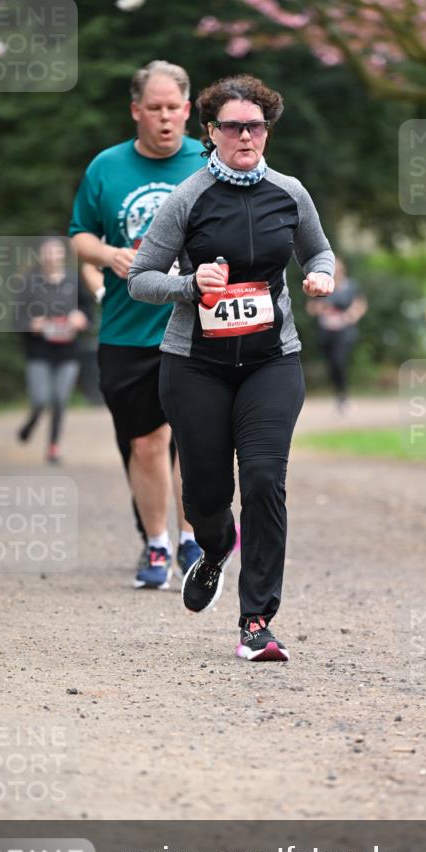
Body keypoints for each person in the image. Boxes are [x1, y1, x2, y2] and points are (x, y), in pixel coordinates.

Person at [128, 74, 335, 662]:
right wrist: (191, 285)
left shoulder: (289, 193)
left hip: (273, 360)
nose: (246, 135)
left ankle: (256, 622)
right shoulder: (188, 198)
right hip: (196, 366)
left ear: (267, 130)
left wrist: (321, 274)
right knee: (208, 498)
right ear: (211, 132)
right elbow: (141, 278)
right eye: (233, 126)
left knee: (267, 480)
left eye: (256, 125)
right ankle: (215, 548)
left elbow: (317, 249)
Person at [69, 60, 203, 588]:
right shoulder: (106, 167)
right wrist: (110, 255)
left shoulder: (211, 161)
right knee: (145, 443)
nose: (166, 118)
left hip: (195, 327)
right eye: (155, 109)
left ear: (189, 110)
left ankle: (192, 537)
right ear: (136, 111)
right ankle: (155, 544)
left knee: (193, 438)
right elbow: (78, 235)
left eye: (175, 108)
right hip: (126, 331)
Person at [17, 236, 93, 464]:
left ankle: (53, 447)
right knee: (41, 399)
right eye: (48, 252)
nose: (52, 257)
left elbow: (88, 309)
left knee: (60, 399)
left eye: (57, 252)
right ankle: (32, 420)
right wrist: (32, 324)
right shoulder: (29, 281)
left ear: (63, 255)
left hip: (68, 351)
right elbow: (16, 318)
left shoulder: (73, 278)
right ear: (41, 255)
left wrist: (82, 318)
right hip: (39, 351)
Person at [307, 255, 367, 410]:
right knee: (332, 364)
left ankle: (343, 395)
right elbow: (311, 307)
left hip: (344, 331)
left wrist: (353, 314)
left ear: (343, 269)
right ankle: (339, 393)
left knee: (339, 361)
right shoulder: (323, 285)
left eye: (338, 269)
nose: (336, 272)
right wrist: (321, 308)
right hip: (326, 331)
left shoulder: (351, 286)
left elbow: (360, 304)